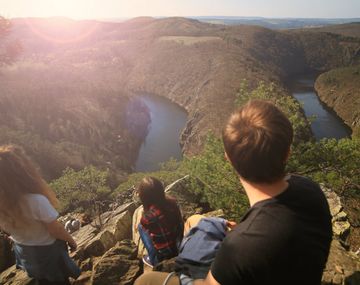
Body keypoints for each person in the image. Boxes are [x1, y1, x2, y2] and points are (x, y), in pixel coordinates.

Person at [135, 100, 332, 285]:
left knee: (144, 281)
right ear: (287, 152)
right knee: (195, 220)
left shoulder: (239, 249)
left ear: (228, 159)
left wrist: (236, 238)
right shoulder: (310, 190)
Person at [0, 145, 80, 285]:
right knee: (59, 280)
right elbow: (56, 230)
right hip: (47, 252)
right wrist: (71, 241)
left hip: (25, 252)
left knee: (42, 278)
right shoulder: (35, 201)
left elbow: (7, 231)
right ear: (20, 173)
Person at [137, 176, 184, 267]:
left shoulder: (147, 218)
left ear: (143, 196)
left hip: (161, 259)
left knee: (140, 227)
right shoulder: (173, 204)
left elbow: (148, 228)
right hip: (179, 249)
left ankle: (152, 259)